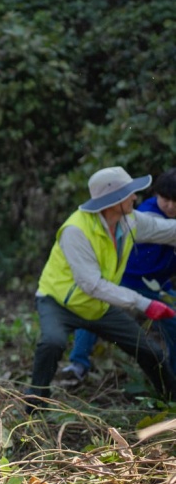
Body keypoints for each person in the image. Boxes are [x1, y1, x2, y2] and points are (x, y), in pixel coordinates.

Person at [27, 166, 176, 407]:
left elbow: (169, 231)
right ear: (113, 200)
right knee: (52, 343)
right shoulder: (76, 230)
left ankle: (171, 402)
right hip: (59, 302)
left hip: (96, 307)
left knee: (151, 352)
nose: (135, 197)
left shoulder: (130, 221)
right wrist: (145, 304)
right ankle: (34, 405)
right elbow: (92, 285)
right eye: (129, 194)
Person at [63, 168, 176, 381]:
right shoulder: (143, 213)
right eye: (165, 199)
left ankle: (171, 379)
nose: (169, 206)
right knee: (95, 310)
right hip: (126, 279)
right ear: (156, 196)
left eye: (175, 201)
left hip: (159, 286)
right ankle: (77, 364)